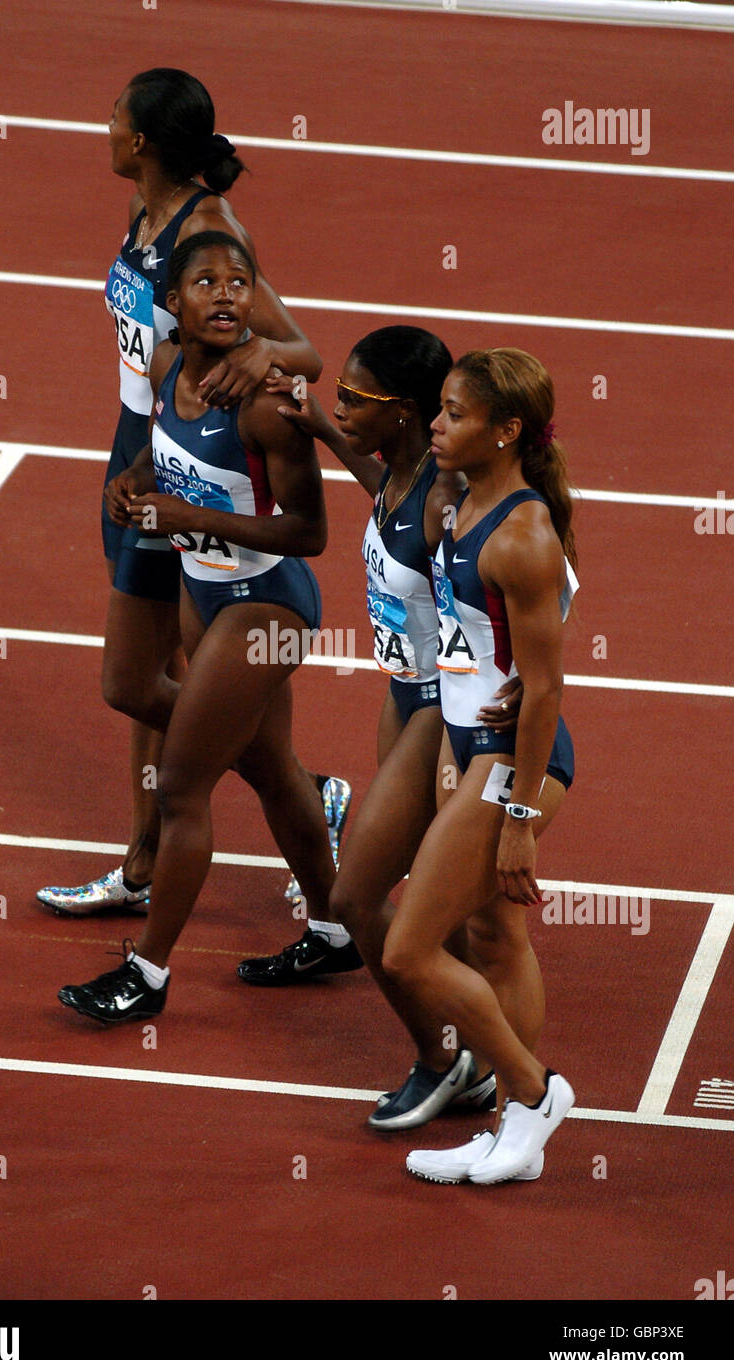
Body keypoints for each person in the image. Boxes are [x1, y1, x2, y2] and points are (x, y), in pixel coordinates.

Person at [35, 68, 349, 919]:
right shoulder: (144, 211)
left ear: (140, 140)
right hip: (135, 449)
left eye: (112, 116)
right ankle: (144, 861)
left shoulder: (206, 228)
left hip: (184, 463)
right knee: (161, 670)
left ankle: (298, 786)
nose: (103, 125)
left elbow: (301, 348)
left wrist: (260, 359)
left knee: (131, 683)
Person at [58, 232, 354, 1023]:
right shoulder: (165, 371)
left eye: (239, 282)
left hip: (269, 607)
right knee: (274, 772)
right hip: (205, 592)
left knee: (183, 784)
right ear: (176, 305)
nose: (225, 294)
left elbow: (308, 534)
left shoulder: (264, 404)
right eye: (206, 282)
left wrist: (184, 514)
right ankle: (336, 926)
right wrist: (133, 482)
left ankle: (145, 976)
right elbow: (165, 456)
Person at [237, 329, 522, 1136]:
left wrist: (510, 686)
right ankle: (472, 1049)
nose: (340, 404)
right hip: (401, 698)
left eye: (353, 400)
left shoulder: (443, 498)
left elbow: (497, 588)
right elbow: (382, 501)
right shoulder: (404, 475)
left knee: (358, 898)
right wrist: (327, 434)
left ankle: (449, 1062)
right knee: (445, 904)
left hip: (438, 712)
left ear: (403, 412)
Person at [376, 347, 579, 1185]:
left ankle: (535, 1096)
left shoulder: (520, 534)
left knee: (409, 950)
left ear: (506, 433)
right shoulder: (464, 503)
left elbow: (547, 693)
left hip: (515, 763)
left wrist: (521, 823)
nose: (435, 424)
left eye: (455, 415)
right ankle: (509, 1134)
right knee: (497, 937)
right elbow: (529, 627)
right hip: (472, 746)